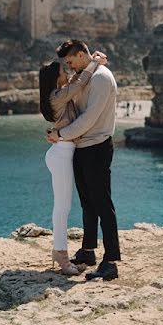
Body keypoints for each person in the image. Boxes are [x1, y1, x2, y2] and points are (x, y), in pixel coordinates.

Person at [47, 39, 121, 281]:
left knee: (102, 203)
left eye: (70, 61)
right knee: (87, 203)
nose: (68, 67)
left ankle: (110, 261)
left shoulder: (101, 77)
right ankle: (88, 251)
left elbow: (89, 118)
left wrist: (60, 135)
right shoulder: (85, 76)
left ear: (81, 55)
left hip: (97, 147)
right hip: (81, 147)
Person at [38, 50, 107, 275]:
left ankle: (60, 252)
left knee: (63, 207)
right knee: (62, 208)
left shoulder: (59, 93)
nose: (67, 71)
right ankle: (61, 256)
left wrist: (96, 62)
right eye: (63, 70)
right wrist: (94, 63)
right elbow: (80, 82)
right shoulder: (57, 96)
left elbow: (78, 80)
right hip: (61, 154)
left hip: (62, 152)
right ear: (55, 78)